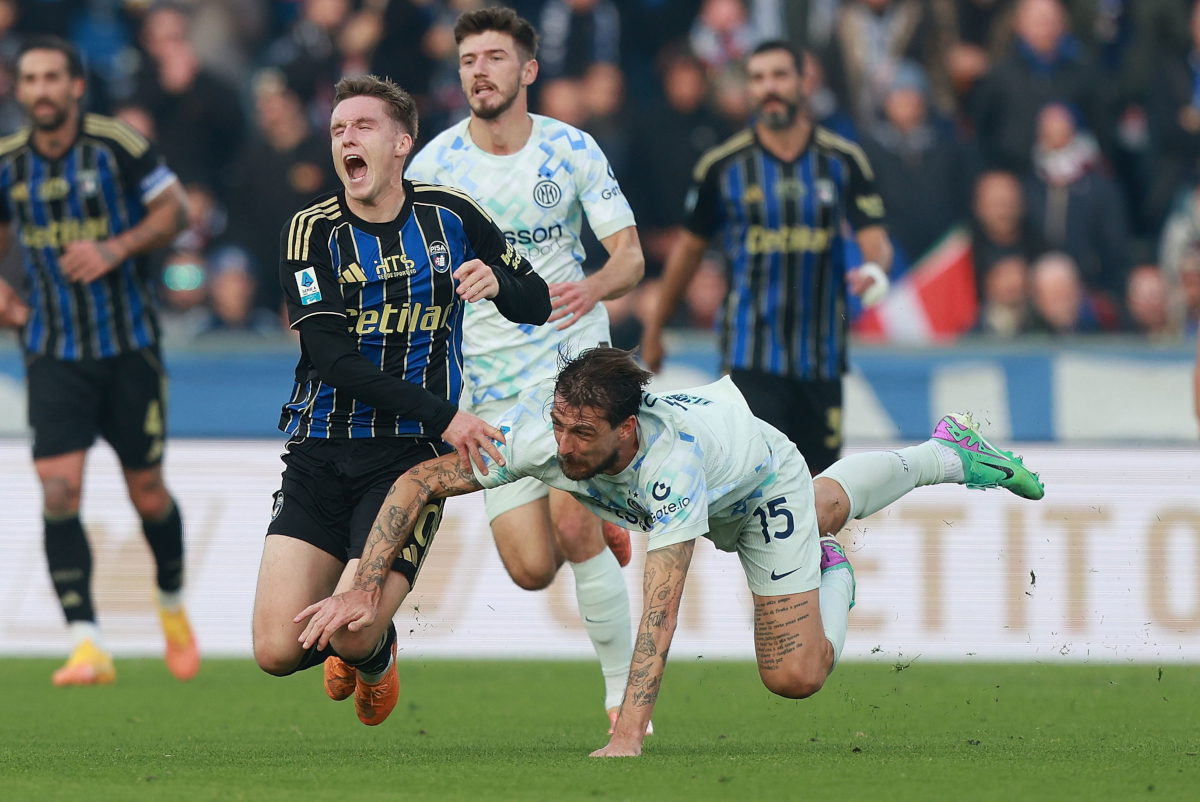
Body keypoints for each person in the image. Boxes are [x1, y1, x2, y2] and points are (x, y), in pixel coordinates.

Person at [293, 346, 1046, 757]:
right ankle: (945, 449)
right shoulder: (543, 434)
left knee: (795, 675)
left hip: (759, 481)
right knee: (832, 503)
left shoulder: (670, 468)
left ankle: (836, 562)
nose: (563, 447)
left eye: (582, 435)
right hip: (728, 464)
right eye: (559, 428)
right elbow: (421, 480)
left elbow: (661, 609)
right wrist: (365, 585)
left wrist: (626, 737)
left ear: (627, 430)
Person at [250, 74, 551, 729]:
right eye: (337, 129)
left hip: (407, 465)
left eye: (362, 126)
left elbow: (539, 300)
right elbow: (332, 359)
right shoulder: (311, 232)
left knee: (352, 631)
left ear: (401, 144)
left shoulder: (451, 214)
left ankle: (371, 653)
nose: (345, 139)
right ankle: (370, 646)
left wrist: (498, 280)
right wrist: (449, 415)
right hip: (319, 454)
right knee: (275, 651)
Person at [405, 7, 645, 730]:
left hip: (572, 370)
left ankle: (622, 703)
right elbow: (410, 271)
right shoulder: (435, 167)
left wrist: (592, 288)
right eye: (468, 60)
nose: (479, 70)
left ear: (528, 70)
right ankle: (604, 520)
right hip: (492, 387)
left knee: (572, 530)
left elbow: (629, 257)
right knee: (530, 569)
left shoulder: (571, 151)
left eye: (494, 57)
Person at [0, 37, 194, 686]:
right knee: (59, 490)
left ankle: (170, 603)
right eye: (32, 79)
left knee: (148, 493)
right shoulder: (7, 163)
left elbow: (176, 210)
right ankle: (87, 644)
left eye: (54, 76)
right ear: (20, 89)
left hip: (129, 348)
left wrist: (116, 247)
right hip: (52, 351)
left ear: (76, 85)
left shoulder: (117, 145)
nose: (43, 89)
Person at [641, 40, 894, 476]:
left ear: (803, 82)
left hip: (822, 357)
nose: (768, 87)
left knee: (819, 489)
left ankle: (820, 547)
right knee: (758, 485)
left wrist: (874, 270)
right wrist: (656, 327)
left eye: (779, 75)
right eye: (758, 78)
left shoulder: (843, 160)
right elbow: (688, 253)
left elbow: (877, 240)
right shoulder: (722, 167)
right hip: (750, 356)